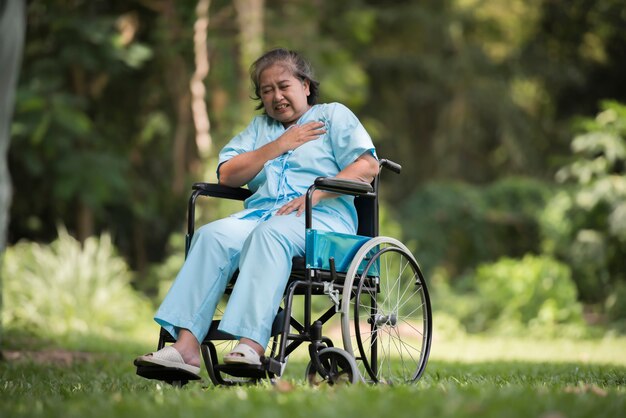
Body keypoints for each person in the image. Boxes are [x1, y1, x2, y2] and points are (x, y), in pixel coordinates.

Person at [134, 47, 378, 378]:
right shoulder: (260, 128)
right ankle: (186, 348)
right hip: (261, 217)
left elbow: (367, 166)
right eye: (267, 91)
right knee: (211, 236)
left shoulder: (333, 115)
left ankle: (251, 345)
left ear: (305, 85)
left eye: (284, 86)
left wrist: (316, 195)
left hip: (322, 221)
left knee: (271, 233)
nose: (276, 96)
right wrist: (280, 144)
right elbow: (228, 175)